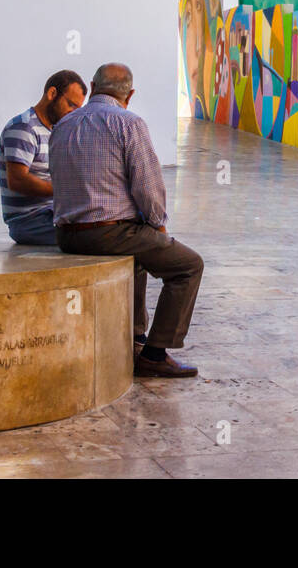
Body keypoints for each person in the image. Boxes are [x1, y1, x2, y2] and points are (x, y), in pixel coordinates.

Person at [49, 62, 204, 378]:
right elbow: (147, 186)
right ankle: (155, 353)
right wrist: (158, 225)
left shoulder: (63, 126)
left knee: (139, 245)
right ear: (129, 94)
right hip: (107, 234)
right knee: (188, 265)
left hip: (66, 234)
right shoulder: (129, 123)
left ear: (92, 87)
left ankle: (134, 337)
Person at [0, 70, 87, 244]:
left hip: (50, 213)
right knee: (98, 236)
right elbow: (17, 180)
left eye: (78, 109)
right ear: (52, 94)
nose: (73, 113)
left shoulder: (55, 130)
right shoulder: (24, 127)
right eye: (71, 105)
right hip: (28, 221)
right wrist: (66, 192)